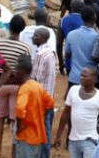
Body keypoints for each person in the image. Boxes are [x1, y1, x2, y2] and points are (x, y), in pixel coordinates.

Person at [0, 15, 34, 157]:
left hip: (1, 85)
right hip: (17, 87)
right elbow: (28, 68)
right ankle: (13, 151)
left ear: (9, 27)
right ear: (22, 30)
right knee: (14, 120)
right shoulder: (25, 48)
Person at [54, 66, 99, 158]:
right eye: (81, 75)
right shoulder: (73, 90)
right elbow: (65, 113)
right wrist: (58, 136)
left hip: (90, 141)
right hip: (73, 140)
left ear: (94, 79)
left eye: (85, 76)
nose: (81, 78)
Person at [14, 55, 55, 158]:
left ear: (22, 71)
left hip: (26, 136)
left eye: (16, 70)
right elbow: (50, 102)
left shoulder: (24, 88)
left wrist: (19, 127)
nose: (14, 73)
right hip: (37, 135)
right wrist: (38, 115)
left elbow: (20, 108)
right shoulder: (37, 85)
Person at [32, 28, 58, 158]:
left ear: (42, 38)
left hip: (40, 99)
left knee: (43, 131)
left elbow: (36, 78)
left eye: (35, 35)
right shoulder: (51, 52)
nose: (33, 37)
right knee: (46, 129)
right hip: (49, 97)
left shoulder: (40, 54)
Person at [66, 6, 99, 88]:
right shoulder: (98, 37)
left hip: (74, 78)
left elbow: (68, 53)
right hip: (91, 79)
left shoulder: (71, 34)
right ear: (95, 18)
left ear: (82, 18)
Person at [59, 0, 85, 74]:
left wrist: (60, 63)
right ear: (83, 7)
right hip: (84, 62)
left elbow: (58, 44)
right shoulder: (86, 21)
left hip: (69, 61)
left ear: (71, 6)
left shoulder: (63, 20)